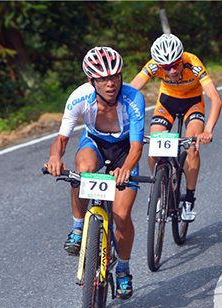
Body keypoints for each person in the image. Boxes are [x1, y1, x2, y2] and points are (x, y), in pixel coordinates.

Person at [44, 46, 144, 300]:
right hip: (96, 144)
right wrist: (55, 157)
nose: (110, 83)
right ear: (92, 81)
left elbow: (136, 146)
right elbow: (62, 139)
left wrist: (126, 169)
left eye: (115, 77)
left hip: (125, 150)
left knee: (121, 215)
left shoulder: (133, 99)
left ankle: (123, 268)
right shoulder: (79, 98)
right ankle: (78, 227)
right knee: (82, 171)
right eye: (102, 79)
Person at [130, 33, 222, 222]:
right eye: (166, 67)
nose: (171, 71)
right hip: (167, 102)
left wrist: (208, 130)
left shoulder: (193, 62)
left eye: (175, 65)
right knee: (154, 148)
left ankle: (189, 199)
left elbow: (215, 98)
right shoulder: (154, 65)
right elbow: (131, 91)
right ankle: (162, 189)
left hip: (192, 103)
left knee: (192, 147)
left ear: (181, 59)